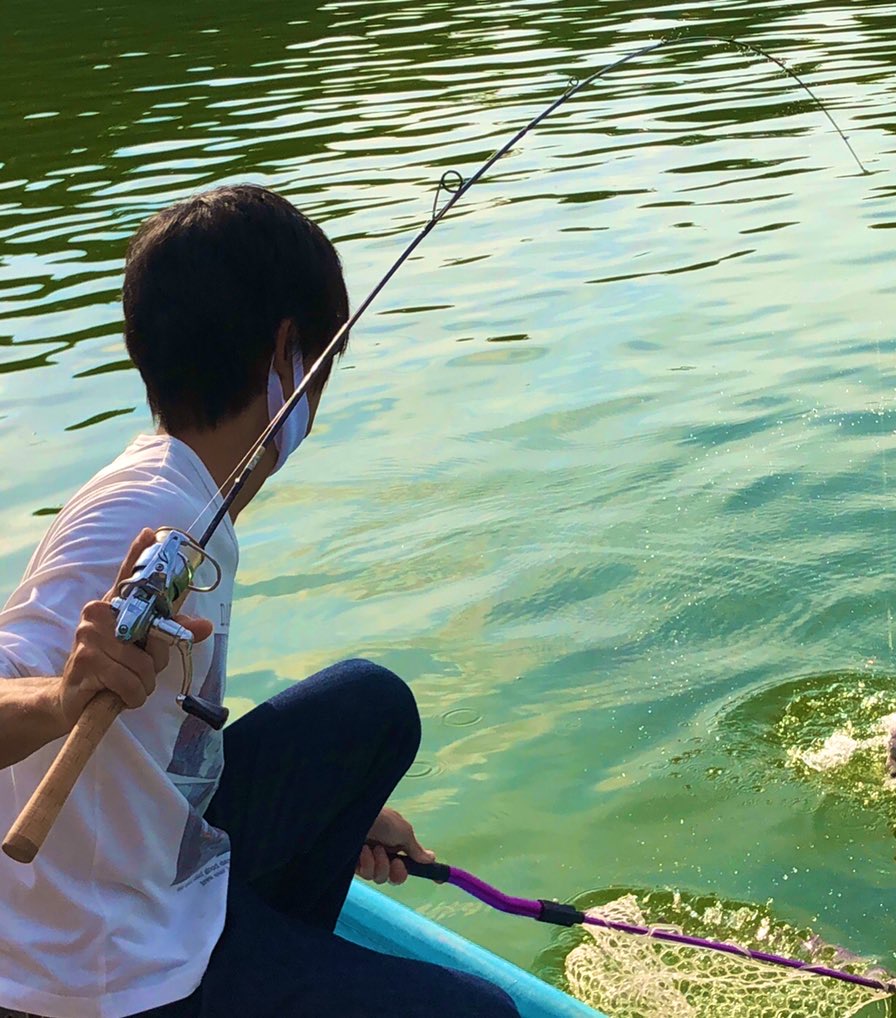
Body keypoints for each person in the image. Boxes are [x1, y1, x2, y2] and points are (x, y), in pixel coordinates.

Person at [0, 185, 519, 1018]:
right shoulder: (141, 512)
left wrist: (341, 817)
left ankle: (282, 957)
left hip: (148, 877)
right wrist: (61, 695)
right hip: (104, 974)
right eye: (323, 361)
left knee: (370, 706)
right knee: (479, 1014)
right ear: (286, 354)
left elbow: (164, 744)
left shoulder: (179, 490)